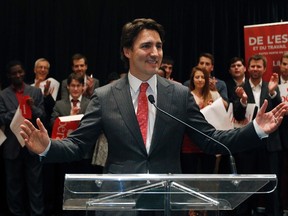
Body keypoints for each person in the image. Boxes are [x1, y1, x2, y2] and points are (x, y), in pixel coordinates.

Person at [20, 18, 287, 216]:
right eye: (146, 46)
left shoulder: (179, 95)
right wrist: (47, 147)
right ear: (127, 51)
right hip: (118, 202)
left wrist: (256, 130)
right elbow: (79, 145)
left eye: (159, 46)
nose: (155, 52)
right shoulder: (105, 96)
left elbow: (210, 140)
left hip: (167, 201)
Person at [229, 54, 283, 216]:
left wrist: (273, 93)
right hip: (247, 146)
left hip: (270, 145)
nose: (255, 69)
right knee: (246, 188)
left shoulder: (271, 86)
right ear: (248, 68)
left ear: (264, 69)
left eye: (259, 66)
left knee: (272, 188)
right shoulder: (240, 89)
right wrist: (243, 101)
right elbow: (237, 116)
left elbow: (279, 110)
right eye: (253, 66)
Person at [0, 60, 46, 216]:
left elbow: (42, 116)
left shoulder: (35, 92)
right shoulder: (3, 95)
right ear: (9, 76)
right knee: (13, 187)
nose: (18, 75)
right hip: (12, 147)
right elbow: (1, 118)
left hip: (33, 146)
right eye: (14, 73)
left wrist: (31, 106)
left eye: (20, 72)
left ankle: (37, 214)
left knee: (36, 186)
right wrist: (19, 110)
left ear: (24, 72)